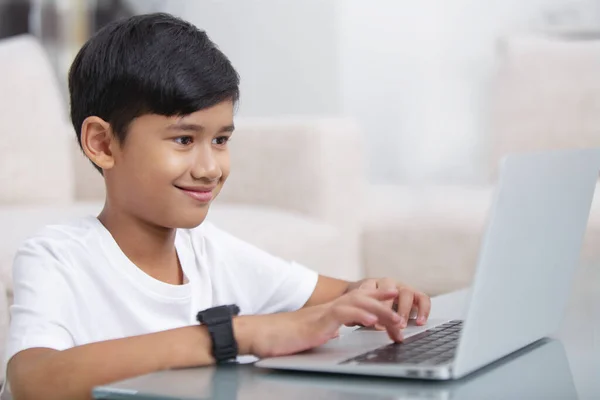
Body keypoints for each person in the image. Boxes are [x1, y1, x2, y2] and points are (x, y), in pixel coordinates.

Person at [4, 13, 431, 400]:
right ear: (102, 143)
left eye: (221, 140)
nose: (210, 168)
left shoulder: (209, 251)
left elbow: (340, 294)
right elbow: (32, 380)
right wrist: (234, 336)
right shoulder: (58, 257)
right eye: (184, 140)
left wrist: (379, 296)